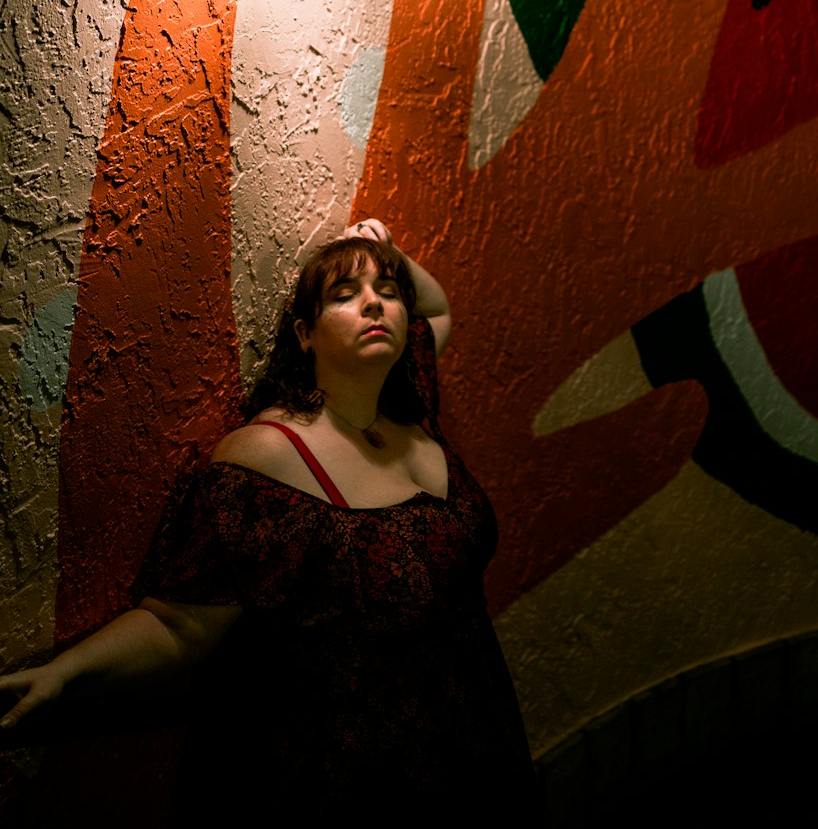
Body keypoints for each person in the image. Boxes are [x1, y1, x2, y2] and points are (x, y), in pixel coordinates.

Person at [0, 219, 539, 821]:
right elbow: (178, 625)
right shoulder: (269, 456)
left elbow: (436, 308)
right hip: (351, 780)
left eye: (387, 292)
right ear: (305, 335)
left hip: (474, 747)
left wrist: (384, 251)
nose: (374, 303)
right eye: (344, 294)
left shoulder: (413, 409)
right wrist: (64, 674)